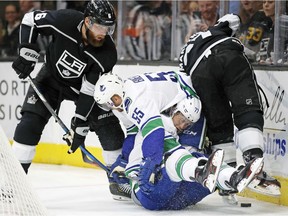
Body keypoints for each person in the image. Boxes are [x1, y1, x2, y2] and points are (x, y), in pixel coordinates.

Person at [11, 0, 130, 201]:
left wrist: (79, 123)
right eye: (99, 26)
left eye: (108, 28)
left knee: (109, 126)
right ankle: (14, 183)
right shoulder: (64, 20)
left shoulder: (107, 54)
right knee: (29, 123)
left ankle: (119, 181)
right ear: (87, 21)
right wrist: (26, 51)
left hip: (80, 88)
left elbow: (88, 90)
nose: (103, 32)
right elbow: (29, 20)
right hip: (50, 78)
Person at [93, 72, 263, 210]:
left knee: (194, 164)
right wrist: (125, 163)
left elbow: (152, 134)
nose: (114, 105)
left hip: (178, 198)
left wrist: (137, 162)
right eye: (109, 103)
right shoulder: (147, 118)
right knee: (179, 157)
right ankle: (203, 172)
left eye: (114, 99)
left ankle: (232, 177)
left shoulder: (142, 106)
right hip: (151, 194)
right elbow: (144, 134)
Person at [179, 13, 280, 197]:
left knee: (220, 127)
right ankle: (254, 162)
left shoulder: (185, 52)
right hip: (228, 55)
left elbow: (184, 80)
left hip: (199, 73)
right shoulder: (216, 29)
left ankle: (228, 178)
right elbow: (233, 18)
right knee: (247, 108)